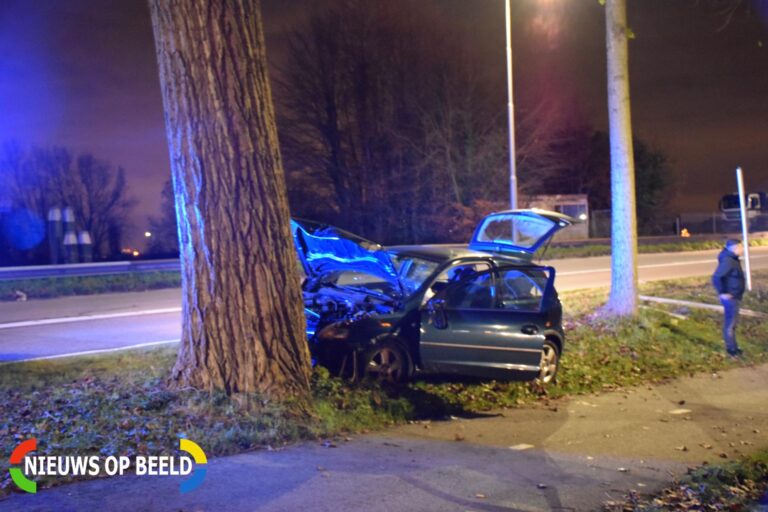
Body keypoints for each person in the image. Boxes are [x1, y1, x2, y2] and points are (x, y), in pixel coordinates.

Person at [711, 239, 745, 357]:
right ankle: (732, 351)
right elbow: (716, 277)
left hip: (734, 296)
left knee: (731, 323)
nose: (742, 249)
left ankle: (733, 347)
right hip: (731, 297)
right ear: (734, 248)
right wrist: (723, 292)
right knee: (730, 324)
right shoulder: (729, 261)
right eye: (741, 247)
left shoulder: (732, 259)